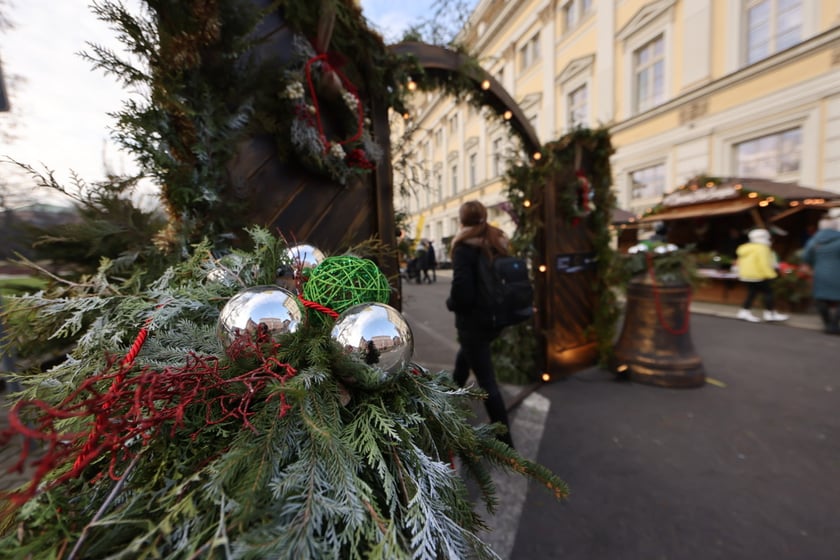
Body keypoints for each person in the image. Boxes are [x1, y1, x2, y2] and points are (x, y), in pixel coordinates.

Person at [445, 200, 514, 447]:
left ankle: (506, 443)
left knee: (487, 382)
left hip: (474, 322)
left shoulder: (465, 247)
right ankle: (448, 403)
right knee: (465, 361)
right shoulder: (496, 240)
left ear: (462, 220)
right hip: (496, 318)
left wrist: (450, 302)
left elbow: (463, 294)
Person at [735, 228, 789, 323]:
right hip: (759, 275)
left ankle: (744, 312)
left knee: (752, 293)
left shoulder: (745, 248)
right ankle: (770, 314)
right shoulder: (763, 248)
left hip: (746, 275)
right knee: (769, 293)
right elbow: (764, 264)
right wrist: (772, 275)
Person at [802, 214, 840, 334]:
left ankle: (827, 323)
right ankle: (834, 323)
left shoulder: (814, 240)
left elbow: (806, 256)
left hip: (820, 272)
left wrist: (813, 265)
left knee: (821, 298)